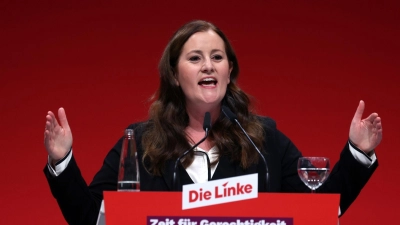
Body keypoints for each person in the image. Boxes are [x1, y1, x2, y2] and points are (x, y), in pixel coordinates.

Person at [44, 20, 382, 225]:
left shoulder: (264, 142)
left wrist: (357, 153)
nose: (209, 66)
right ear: (175, 75)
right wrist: (62, 161)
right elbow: (91, 218)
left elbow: (319, 211)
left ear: (228, 71)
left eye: (217, 58)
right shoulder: (141, 143)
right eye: (195, 58)